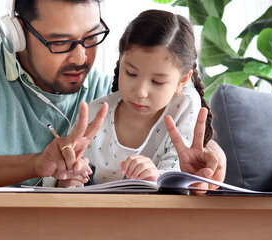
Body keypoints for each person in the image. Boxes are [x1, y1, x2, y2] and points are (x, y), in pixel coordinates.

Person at [0, 0, 226, 188]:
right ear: (17, 34)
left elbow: (162, 130)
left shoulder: (99, 90)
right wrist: (38, 164)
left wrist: (210, 156)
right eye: (60, 42)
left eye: (91, 38)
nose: (81, 57)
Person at [55, 10, 213, 187]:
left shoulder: (183, 105)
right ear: (120, 60)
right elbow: (61, 172)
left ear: (182, 81)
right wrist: (66, 180)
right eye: (131, 73)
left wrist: (157, 177)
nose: (140, 92)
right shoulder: (95, 114)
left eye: (157, 82)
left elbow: (180, 172)